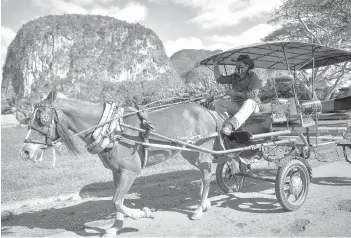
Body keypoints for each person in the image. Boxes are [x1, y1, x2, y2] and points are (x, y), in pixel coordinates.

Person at [214, 54, 267, 135]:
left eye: (240, 65)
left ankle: (231, 126)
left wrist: (235, 93)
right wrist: (215, 64)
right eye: (237, 65)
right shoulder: (234, 76)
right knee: (218, 103)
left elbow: (253, 94)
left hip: (252, 107)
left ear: (247, 66)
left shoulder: (253, 77)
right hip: (237, 105)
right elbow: (220, 79)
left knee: (249, 102)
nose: (237, 67)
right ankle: (224, 125)